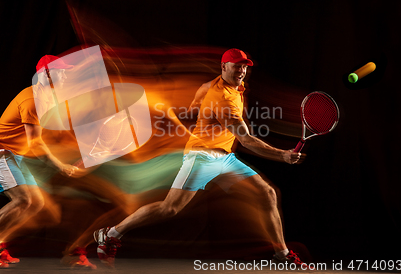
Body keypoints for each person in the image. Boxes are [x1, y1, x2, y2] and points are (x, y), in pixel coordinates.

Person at [93, 48, 312, 268]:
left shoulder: (215, 86)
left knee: (267, 193)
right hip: (202, 158)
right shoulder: (222, 98)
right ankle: (111, 233)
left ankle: (281, 254)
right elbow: (246, 140)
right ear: (224, 66)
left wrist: (202, 120)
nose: (242, 70)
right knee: (169, 208)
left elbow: (194, 107)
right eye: (237, 66)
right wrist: (282, 155)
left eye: (245, 66)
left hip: (225, 159)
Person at [0, 55, 82, 269]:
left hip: (13, 154)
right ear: (46, 74)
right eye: (61, 71)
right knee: (22, 200)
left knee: (35, 203)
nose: (66, 75)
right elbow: (36, 144)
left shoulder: (48, 99)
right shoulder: (32, 100)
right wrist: (61, 165)